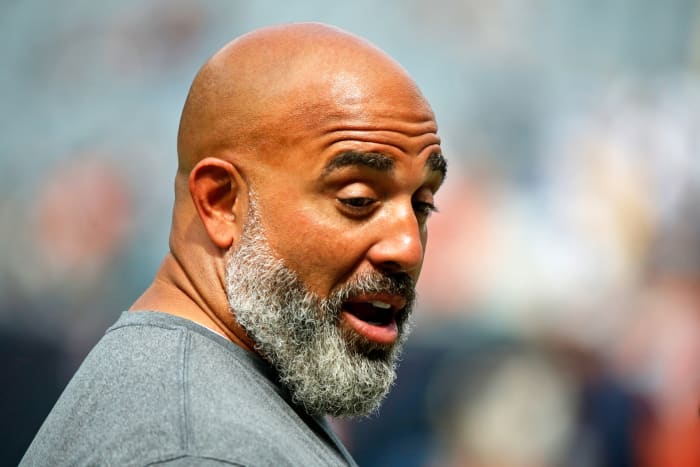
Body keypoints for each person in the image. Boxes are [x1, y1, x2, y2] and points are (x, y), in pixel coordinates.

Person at [21, 22, 447, 466]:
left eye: (422, 206)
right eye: (358, 200)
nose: (408, 248)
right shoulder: (197, 449)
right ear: (221, 202)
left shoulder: (216, 397)